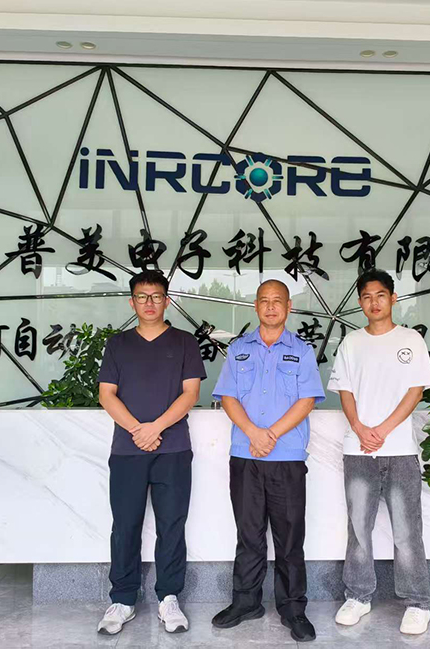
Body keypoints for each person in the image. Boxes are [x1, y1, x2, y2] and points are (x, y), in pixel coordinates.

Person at [210, 280, 325, 643]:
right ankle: (246, 602)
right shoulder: (238, 349)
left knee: (289, 537)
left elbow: (307, 400)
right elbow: (228, 396)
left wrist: (270, 434)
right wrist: (253, 433)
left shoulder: (302, 351)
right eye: (264, 300)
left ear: (289, 307)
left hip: (286, 457)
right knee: (249, 534)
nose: (271, 306)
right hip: (246, 455)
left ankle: (293, 608)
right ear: (256, 306)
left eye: (278, 301)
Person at [96, 270, 206, 636]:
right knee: (124, 525)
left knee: (171, 525)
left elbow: (191, 393)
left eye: (156, 296)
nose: (149, 303)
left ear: (166, 301)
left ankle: (169, 598)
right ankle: (123, 599)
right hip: (126, 451)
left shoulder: (185, 342)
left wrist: (155, 428)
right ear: (132, 302)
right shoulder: (118, 344)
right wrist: (137, 431)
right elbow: (106, 395)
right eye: (142, 297)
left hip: (173, 449)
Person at [327, 269, 430, 636]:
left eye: (380, 295)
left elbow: (415, 391)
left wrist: (384, 430)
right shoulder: (351, 343)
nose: (374, 302)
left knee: (407, 531)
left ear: (393, 298)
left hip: (400, 450)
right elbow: (345, 391)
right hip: (358, 450)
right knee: (359, 528)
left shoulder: (411, 340)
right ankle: (358, 596)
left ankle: (417, 603)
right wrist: (360, 429)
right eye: (366, 297)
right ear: (360, 302)